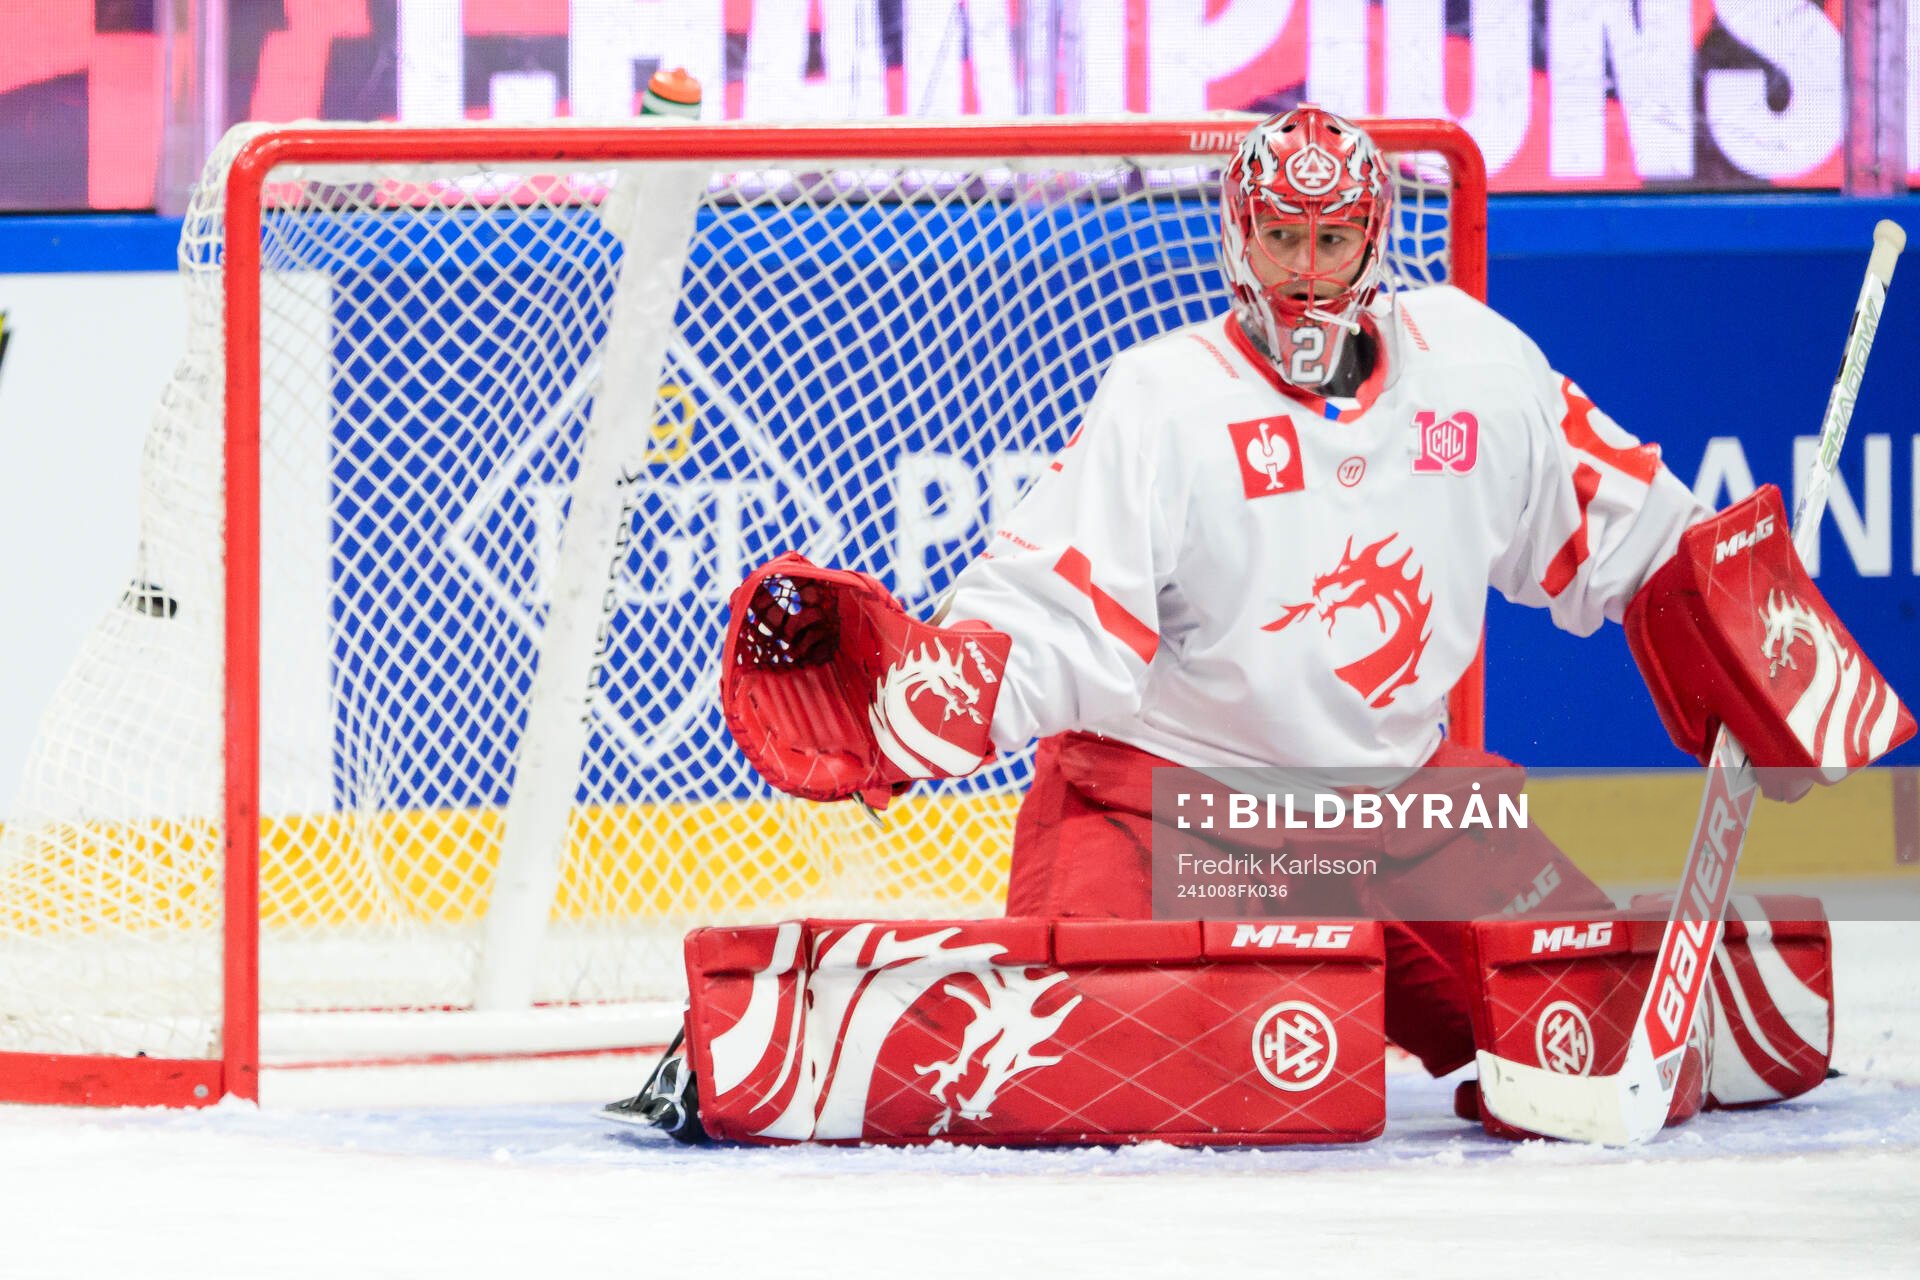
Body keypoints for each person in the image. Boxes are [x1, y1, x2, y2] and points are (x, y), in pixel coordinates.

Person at [623, 106, 1907, 1143]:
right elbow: (1056, 614)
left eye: (1331, 239)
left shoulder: (1476, 367)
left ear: (1373, 236)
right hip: (1163, 811)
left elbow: (1631, 526)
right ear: (1239, 240)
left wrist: (1738, 617)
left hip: (1401, 815)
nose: (1305, 271)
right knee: (1082, 1066)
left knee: (1588, 1014)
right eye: (1280, 239)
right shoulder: (1166, 400)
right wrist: (938, 688)